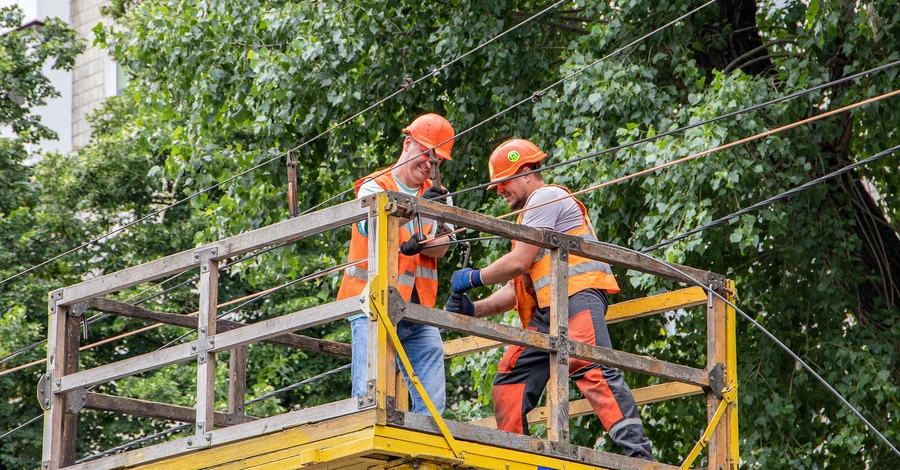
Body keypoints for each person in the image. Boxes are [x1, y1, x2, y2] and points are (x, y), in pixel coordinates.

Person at [445, 139, 655, 460]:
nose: (500, 191)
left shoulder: (546, 197)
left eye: (504, 182)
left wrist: (474, 277)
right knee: (509, 377)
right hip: (549, 314)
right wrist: (475, 308)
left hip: (578, 297)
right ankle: (520, 458)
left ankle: (641, 459)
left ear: (527, 173)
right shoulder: (529, 218)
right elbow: (516, 286)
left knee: (591, 368)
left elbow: (516, 262)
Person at [337, 113, 455, 415]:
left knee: (432, 396)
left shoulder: (440, 196)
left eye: (436, 161)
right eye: (425, 155)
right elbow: (371, 225)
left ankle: (425, 445)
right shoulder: (374, 186)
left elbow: (440, 250)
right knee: (369, 390)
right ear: (407, 144)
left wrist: (429, 215)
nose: (429, 165)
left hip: (417, 309)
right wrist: (419, 211)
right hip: (372, 303)